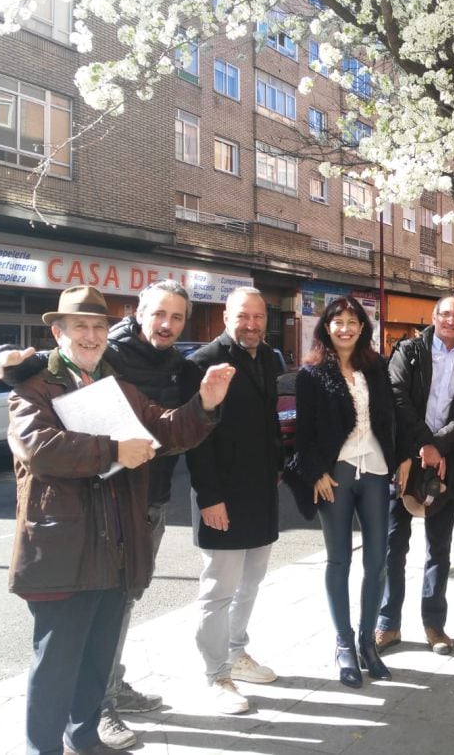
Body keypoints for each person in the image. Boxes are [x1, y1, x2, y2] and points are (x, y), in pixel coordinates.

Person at [6, 285, 232, 755]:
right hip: (64, 548)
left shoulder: (115, 386)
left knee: (96, 658)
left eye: (98, 327)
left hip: (115, 545)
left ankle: (84, 739)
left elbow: (164, 429)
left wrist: (204, 404)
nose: (90, 336)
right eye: (80, 326)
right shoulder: (34, 387)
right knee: (56, 663)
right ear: (58, 331)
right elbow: (40, 449)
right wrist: (112, 450)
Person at [183, 287, 282, 714]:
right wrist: (209, 497)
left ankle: (237, 651)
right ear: (226, 316)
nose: (252, 325)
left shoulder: (270, 359)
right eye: (244, 316)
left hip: (260, 491)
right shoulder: (202, 363)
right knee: (218, 589)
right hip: (220, 495)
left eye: (259, 317)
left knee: (252, 580)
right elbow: (196, 438)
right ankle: (215, 674)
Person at [289, 297, 396, 687]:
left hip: (376, 470)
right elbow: (304, 435)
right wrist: (314, 471)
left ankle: (369, 642)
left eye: (353, 321)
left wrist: (401, 460)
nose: (346, 328)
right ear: (327, 328)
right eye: (339, 322)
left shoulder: (376, 367)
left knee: (377, 561)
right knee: (339, 561)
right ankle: (345, 644)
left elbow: (389, 419)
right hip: (335, 473)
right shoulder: (312, 374)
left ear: (363, 327)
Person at [375, 294, 454, 655]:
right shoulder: (408, 350)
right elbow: (397, 397)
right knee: (394, 546)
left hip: (447, 462)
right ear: (434, 317)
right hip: (406, 459)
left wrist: (439, 446)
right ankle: (388, 624)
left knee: (439, 549)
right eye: (446, 314)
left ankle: (434, 623)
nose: (451, 321)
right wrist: (423, 445)